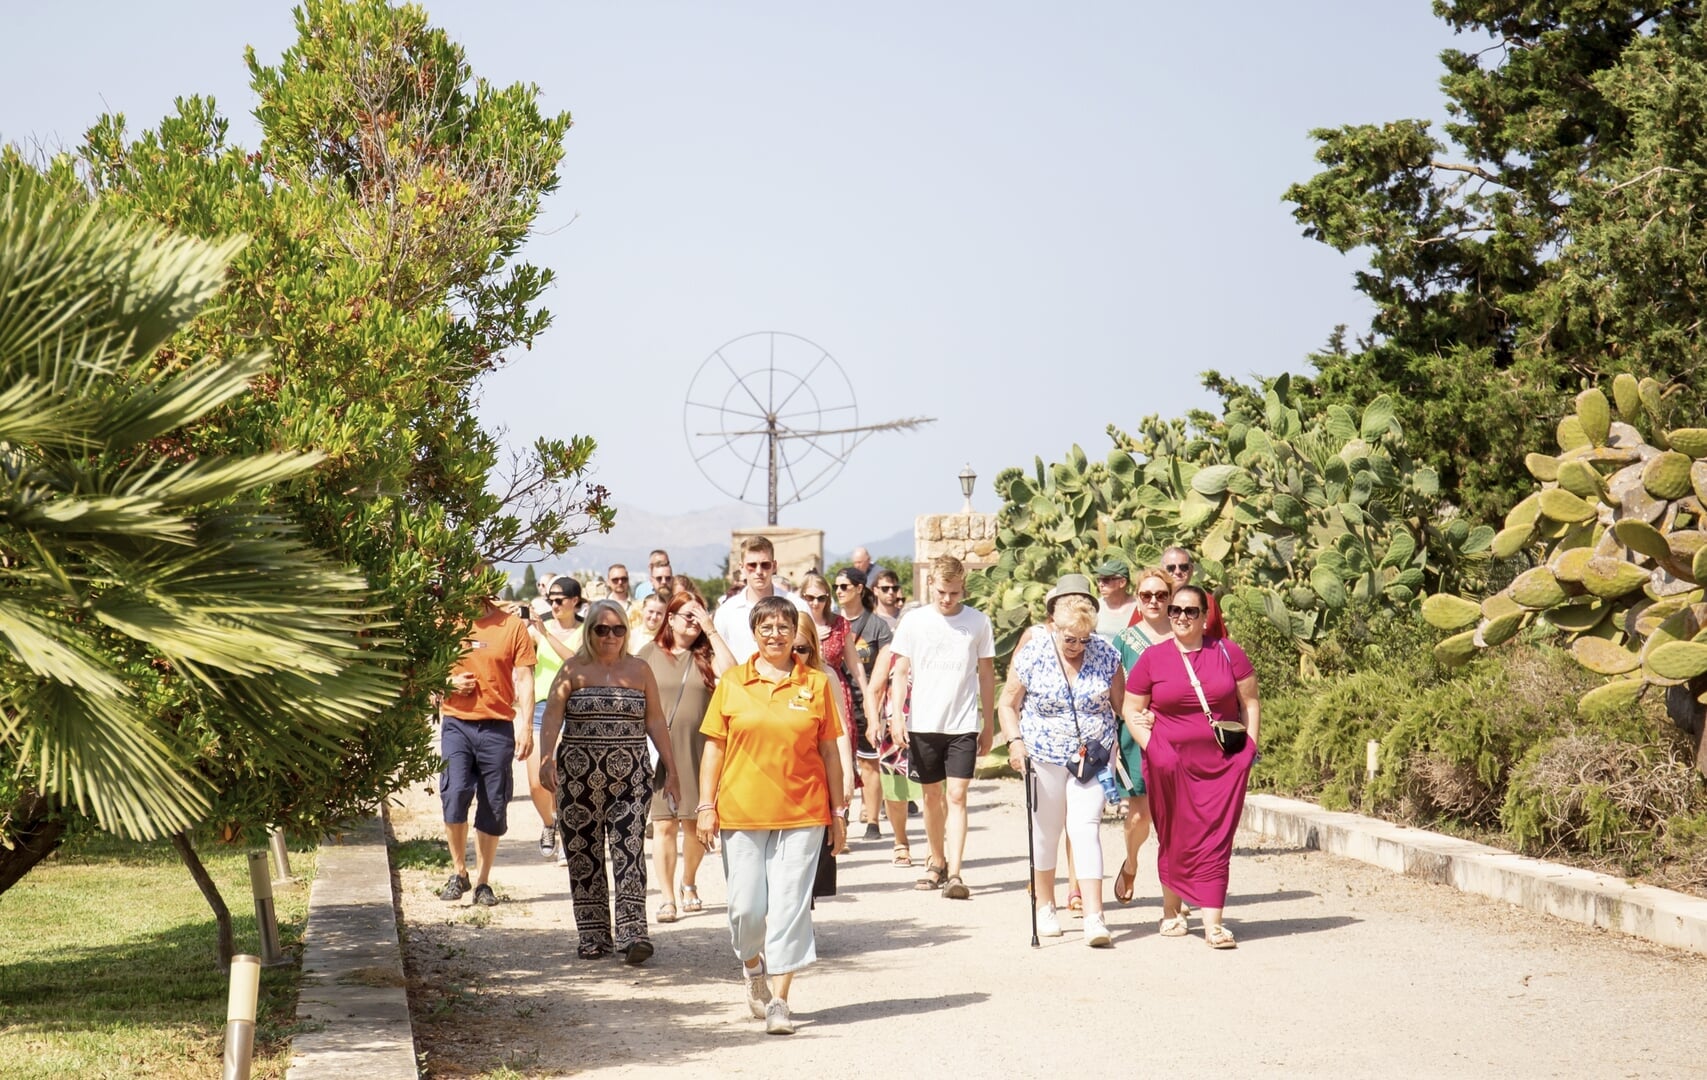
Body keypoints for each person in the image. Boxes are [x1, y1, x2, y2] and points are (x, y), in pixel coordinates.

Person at [696, 596, 849, 1036]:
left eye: (784, 627)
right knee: (746, 908)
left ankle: (780, 1002)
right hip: (742, 812)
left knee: (789, 907)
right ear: (754, 633)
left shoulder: (816, 683)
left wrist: (839, 812)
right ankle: (753, 967)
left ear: (795, 633)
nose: (776, 635)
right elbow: (714, 749)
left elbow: (830, 752)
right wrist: (705, 805)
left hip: (804, 812)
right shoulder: (732, 682)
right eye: (766, 628)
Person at [538, 599, 682, 963]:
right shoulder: (573, 669)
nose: (610, 636)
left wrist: (672, 769)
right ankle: (593, 935)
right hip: (577, 780)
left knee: (629, 851)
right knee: (582, 855)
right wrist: (545, 758)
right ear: (590, 632)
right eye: (602, 629)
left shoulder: (639, 670)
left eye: (618, 629)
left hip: (630, 782)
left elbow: (655, 721)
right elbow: (552, 716)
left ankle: (633, 934)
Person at [1122, 583, 1260, 949]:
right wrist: (1154, 748)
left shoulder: (1228, 652)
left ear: (1205, 616)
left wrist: (1249, 748)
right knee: (1175, 835)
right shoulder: (1153, 658)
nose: (1181, 617)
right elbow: (1131, 709)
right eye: (1175, 610)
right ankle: (1172, 911)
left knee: (1216, 839)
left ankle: (1213, 924)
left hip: (1223, 765)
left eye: (1190, 611)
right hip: (1168, 764)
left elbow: (1250, 702)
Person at [999, 592, 1122, 947]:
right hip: (1044, 754)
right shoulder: (1034, 653)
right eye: (1071, 639)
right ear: (1055, 627)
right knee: (1047, 831)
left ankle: (1094, 916)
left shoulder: (1106, 654)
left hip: (1093, 756)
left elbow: (1122, 704)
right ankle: (1045, 905)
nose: (1078, 647)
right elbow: (1008, 704)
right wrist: (1015, 742)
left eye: (1084, 639)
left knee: (1085, 828)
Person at [882, 555, 995, 900]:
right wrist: (896, 716)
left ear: (963, 589)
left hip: (962, 723)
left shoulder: (978, 622)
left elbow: (986, 674)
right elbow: (900, 671)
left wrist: (988, 723)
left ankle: (956, 873)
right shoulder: (913, 622)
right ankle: (937, 861)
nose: (948, 599)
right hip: (923, 722)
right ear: (931, 584)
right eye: (942, 591)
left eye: (955, 593)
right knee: (932, 797)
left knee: (957, 795)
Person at [638, 592, 734, 923]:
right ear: (671, 618)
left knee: (695, 826)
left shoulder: (707, 655)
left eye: (700, 615)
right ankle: (667, 897)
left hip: (698, 751)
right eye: (688, 615)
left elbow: (733, 675)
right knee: (664, 825)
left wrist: (711, 629)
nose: (694, 622)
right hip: (659, 752)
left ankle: (688, 881)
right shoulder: (649, 653)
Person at [438, 585, 536, 907]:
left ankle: (482, 881)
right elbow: (424, 670)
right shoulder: (445, 622)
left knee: (494, 803)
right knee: (454, 793)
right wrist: (448, 683)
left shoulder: (512, 626)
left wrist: (526, 726)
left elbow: (525, 678)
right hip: (457, 722)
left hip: (497, 725)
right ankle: (459, 872)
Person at [1107, 567, 1172, 905]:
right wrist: (1133, 716)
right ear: (1137, 598)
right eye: (1147, 595)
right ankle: (1131, 862)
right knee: (1140, 815)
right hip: (1136, 736)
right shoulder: (1124, 640)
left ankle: (1176, 891)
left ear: (1171, 598)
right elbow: (1116, 693)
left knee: (1174, 819)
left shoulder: (1182, 636)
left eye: (1161, 595)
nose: (1154, 601)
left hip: (1175, 734)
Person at [836, 568, 898, 843]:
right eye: (836, 587)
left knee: (869, 761)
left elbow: (886, 666)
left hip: (868, 701)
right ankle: (842, 818)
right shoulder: (833, 622)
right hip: (838, 699)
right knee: (839, 763)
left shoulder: (877, 626)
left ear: (860, 589)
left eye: (845, 586)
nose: (839, 591)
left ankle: (873, 821)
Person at [526, 576, 584, 861]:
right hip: (541, 707)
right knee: (536, 782)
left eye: (559, 600)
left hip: (572, 707)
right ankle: (550, 823)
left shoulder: (585, 630)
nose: (554, 605)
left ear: (574, 601)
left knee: (564, 778)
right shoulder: (539, 629)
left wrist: (546, 636)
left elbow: (575, 661)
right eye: (551, 600)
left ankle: (566, 839)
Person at [798, 571, 868, 763]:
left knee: (841, 741)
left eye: (821, 598)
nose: (815, 603)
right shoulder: (796, 623)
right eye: (810, 598)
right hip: (804, 687)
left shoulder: (838, 624)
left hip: (836, 688)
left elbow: (854, 663)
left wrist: (867, 696)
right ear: (802, 597)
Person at [714, 535, 808, 661]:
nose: (759, 571)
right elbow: (718, 658)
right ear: (741, 567)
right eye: (752, 565)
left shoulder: (798, 606)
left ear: (774, 566)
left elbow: (809, 652)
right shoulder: (726, 612)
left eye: (765, 565)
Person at [1162, 546, 1226, 639]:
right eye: (1171, 568)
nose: (1178, 571)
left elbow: (1221, 639)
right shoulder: (1154, 601)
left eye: (1183, 567)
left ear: (1191, 570)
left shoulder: (1207, 601)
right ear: (1162, 571)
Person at [1094, 557, 1139, 639]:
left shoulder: (1139, 606)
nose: (1100, 584)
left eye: (1106, 580)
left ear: (1122, 582)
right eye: (1099, 580)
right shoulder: (1095, 607)